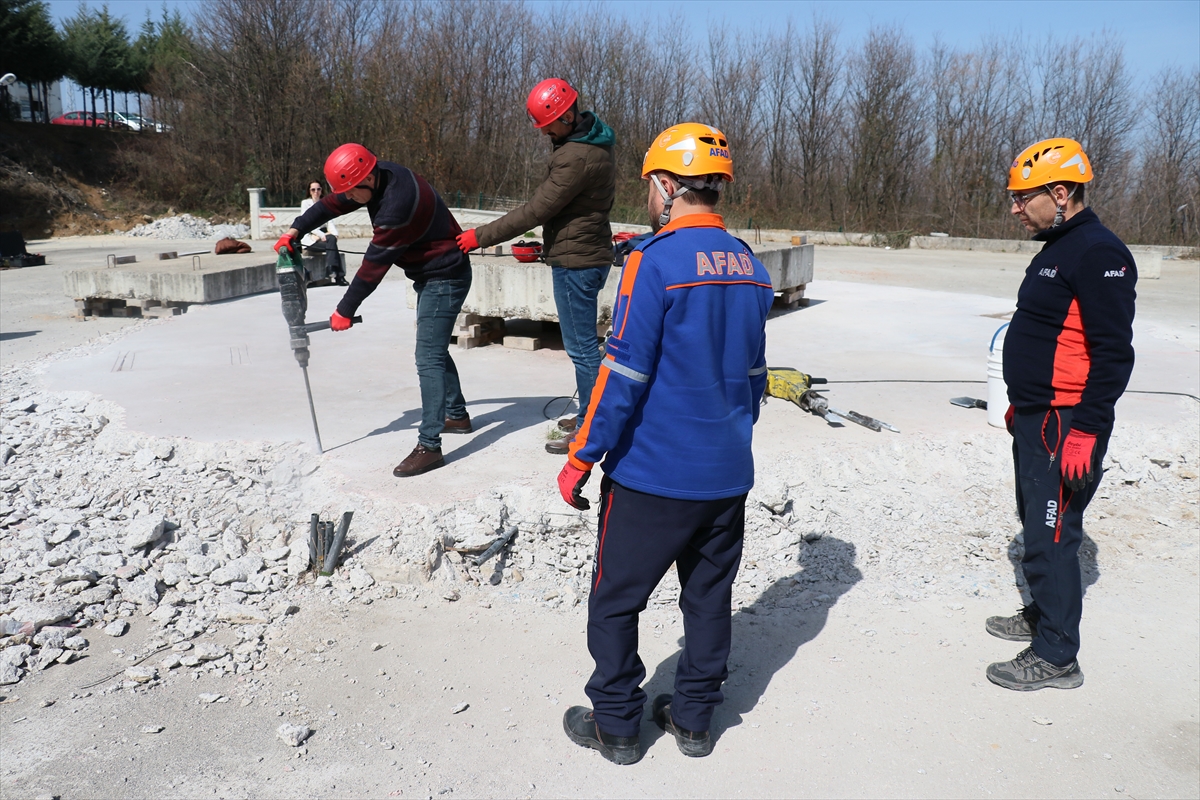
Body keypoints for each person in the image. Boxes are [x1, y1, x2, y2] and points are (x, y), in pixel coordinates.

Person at [555, 124, 772, 764]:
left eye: (650, 186)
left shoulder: (652, 263)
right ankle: (694, 718)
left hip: (653, 475)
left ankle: (618, 724)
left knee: (615, 600)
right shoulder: (751, 265)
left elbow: (619, 374)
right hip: (727, 473)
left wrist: (580, 457)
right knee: (708, 599)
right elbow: (755, 378)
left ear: (666, 185)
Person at [986, 137, 1137, 691]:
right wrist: (1020, 400)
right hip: (1037, 416)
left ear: (1060, 191)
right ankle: (1042, 616)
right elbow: (1049, 336)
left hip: (1068, 423)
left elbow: (1114, 353)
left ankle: (1056, 655)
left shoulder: (1100, 253)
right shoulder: (1055, 247)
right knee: (1035, 522)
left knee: (1054, 533)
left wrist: (1088, 431)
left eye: (1023, 197)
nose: (1014, 208)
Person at [274, 143, 475, 478]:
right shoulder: (377, 174)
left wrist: (344, 309)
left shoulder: (397, 205)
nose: (349, 199)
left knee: (427, 356)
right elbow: (332, 203)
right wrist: (296, 229)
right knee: (434, 348)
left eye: (353, 193)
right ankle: (455, 414)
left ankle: (430, 446)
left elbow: (373, 267)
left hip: (445, 276)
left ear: (365, 180)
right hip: (432, 272)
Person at [455, 78, 616, 454]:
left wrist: (478, 237)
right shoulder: (591, 141)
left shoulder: (576, 157)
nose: (544, 132)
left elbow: (536, 210)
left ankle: (592, 431)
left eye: (547, 126)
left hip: (577, 262)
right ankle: (589, 414)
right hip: (585, 254)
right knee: (582, 347)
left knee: (580, 349)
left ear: (565, 117)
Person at [299, 180, 347, 285]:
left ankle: (332, 269)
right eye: (313, 189)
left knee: (332, 241)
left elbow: (330, 220)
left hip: (323, 237)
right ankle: (339, 276)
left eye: (318, 189)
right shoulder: (306, 203)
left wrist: (334, 234)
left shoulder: (325, 202)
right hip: (310, 239)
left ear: (321, 190)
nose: (316, 192)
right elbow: (307, 223)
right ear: (309, 191)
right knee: (332, 244)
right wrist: (321, 235)